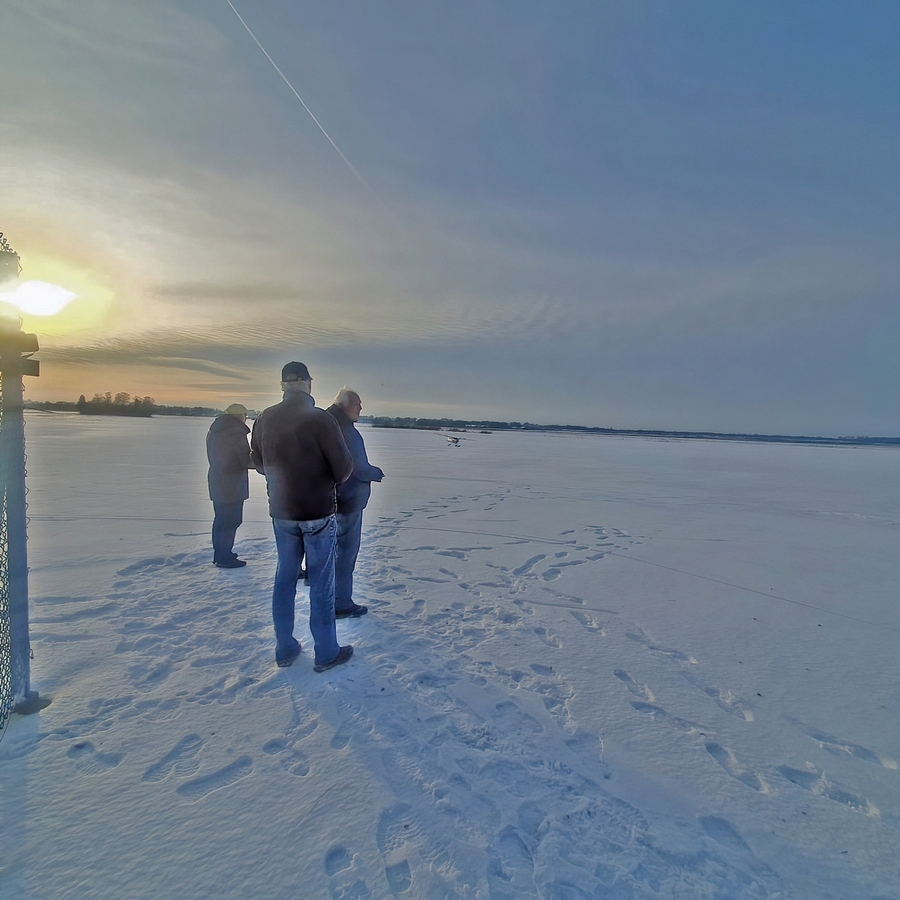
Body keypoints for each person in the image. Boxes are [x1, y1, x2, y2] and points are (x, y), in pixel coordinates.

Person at [250, 362, 354, 671]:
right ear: (308, 384)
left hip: (282, 513)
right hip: (317, 512)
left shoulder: (264, 418)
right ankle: (326, 651)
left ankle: (285, 647)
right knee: (321, 583)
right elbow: (343, 469)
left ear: (283, 385)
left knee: (285, 578)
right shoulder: (320, 419)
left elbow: (258, 463)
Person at [326, 388, 384, 617]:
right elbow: (357, 467)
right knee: (345, 553)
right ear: (343, 405)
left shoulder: (325, 423)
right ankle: (340, 603)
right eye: (356, 404)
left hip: (328, 500)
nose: (360, 408)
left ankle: (328, 597)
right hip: (347, 501)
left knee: (329, 551)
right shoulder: (346, 430)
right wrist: (375, 473)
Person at [206, 403, 253, 568]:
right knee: (231, 520)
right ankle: (224, 557)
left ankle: (220, 553)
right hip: (232, 483)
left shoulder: (215, 430)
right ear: (241, 416)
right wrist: (264, 461)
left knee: (221, 519)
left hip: (217, 480)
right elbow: (245, 460)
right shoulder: (236, 432)